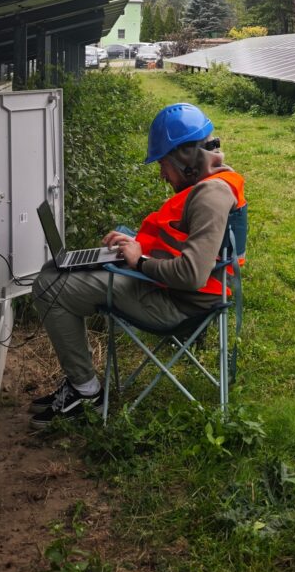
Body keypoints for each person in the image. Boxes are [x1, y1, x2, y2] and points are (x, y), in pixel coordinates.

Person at [29, 103, 245, 428]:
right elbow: (181, 246)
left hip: (177, 305)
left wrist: (139, 260)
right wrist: (137, 245)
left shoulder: (210, 197)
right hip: (169, 290)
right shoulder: (208, 186)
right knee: (53, 270)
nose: (161, 174)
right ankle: (80, 385)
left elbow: (191, 274)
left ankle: (85, 391)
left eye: (163, 164)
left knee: (49, 285)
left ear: (185, 161)